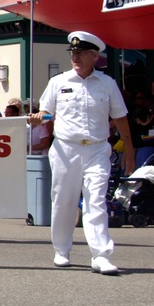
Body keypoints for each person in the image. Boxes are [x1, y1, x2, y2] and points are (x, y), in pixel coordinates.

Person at [31, 31, 134, 276]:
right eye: (73, 53)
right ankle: (61, 249)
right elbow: (47, 112)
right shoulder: (58, 82)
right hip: (66, 149)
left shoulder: (107, 83)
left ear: (94, 56)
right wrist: (39, 118)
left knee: (96, 200)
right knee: (64, 200)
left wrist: (129, 149)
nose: (75, 57)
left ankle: (100, 255)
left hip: (97, 148)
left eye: (81, 53)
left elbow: (120, 117)